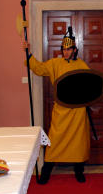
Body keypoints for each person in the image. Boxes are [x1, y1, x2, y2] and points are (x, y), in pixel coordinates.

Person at [24, 27, 90, 184]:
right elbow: (39, 68)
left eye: (69, 49)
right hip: (61, 109)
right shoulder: (55, 63)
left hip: (78, 110)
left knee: (78, 141)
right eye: (64, 49)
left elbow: (90, 85)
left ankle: (79, 170)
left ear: (75, 50)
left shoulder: (82, 65)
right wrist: (29, 54)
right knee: (54, 140)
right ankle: (46, 170)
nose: (66, 52)